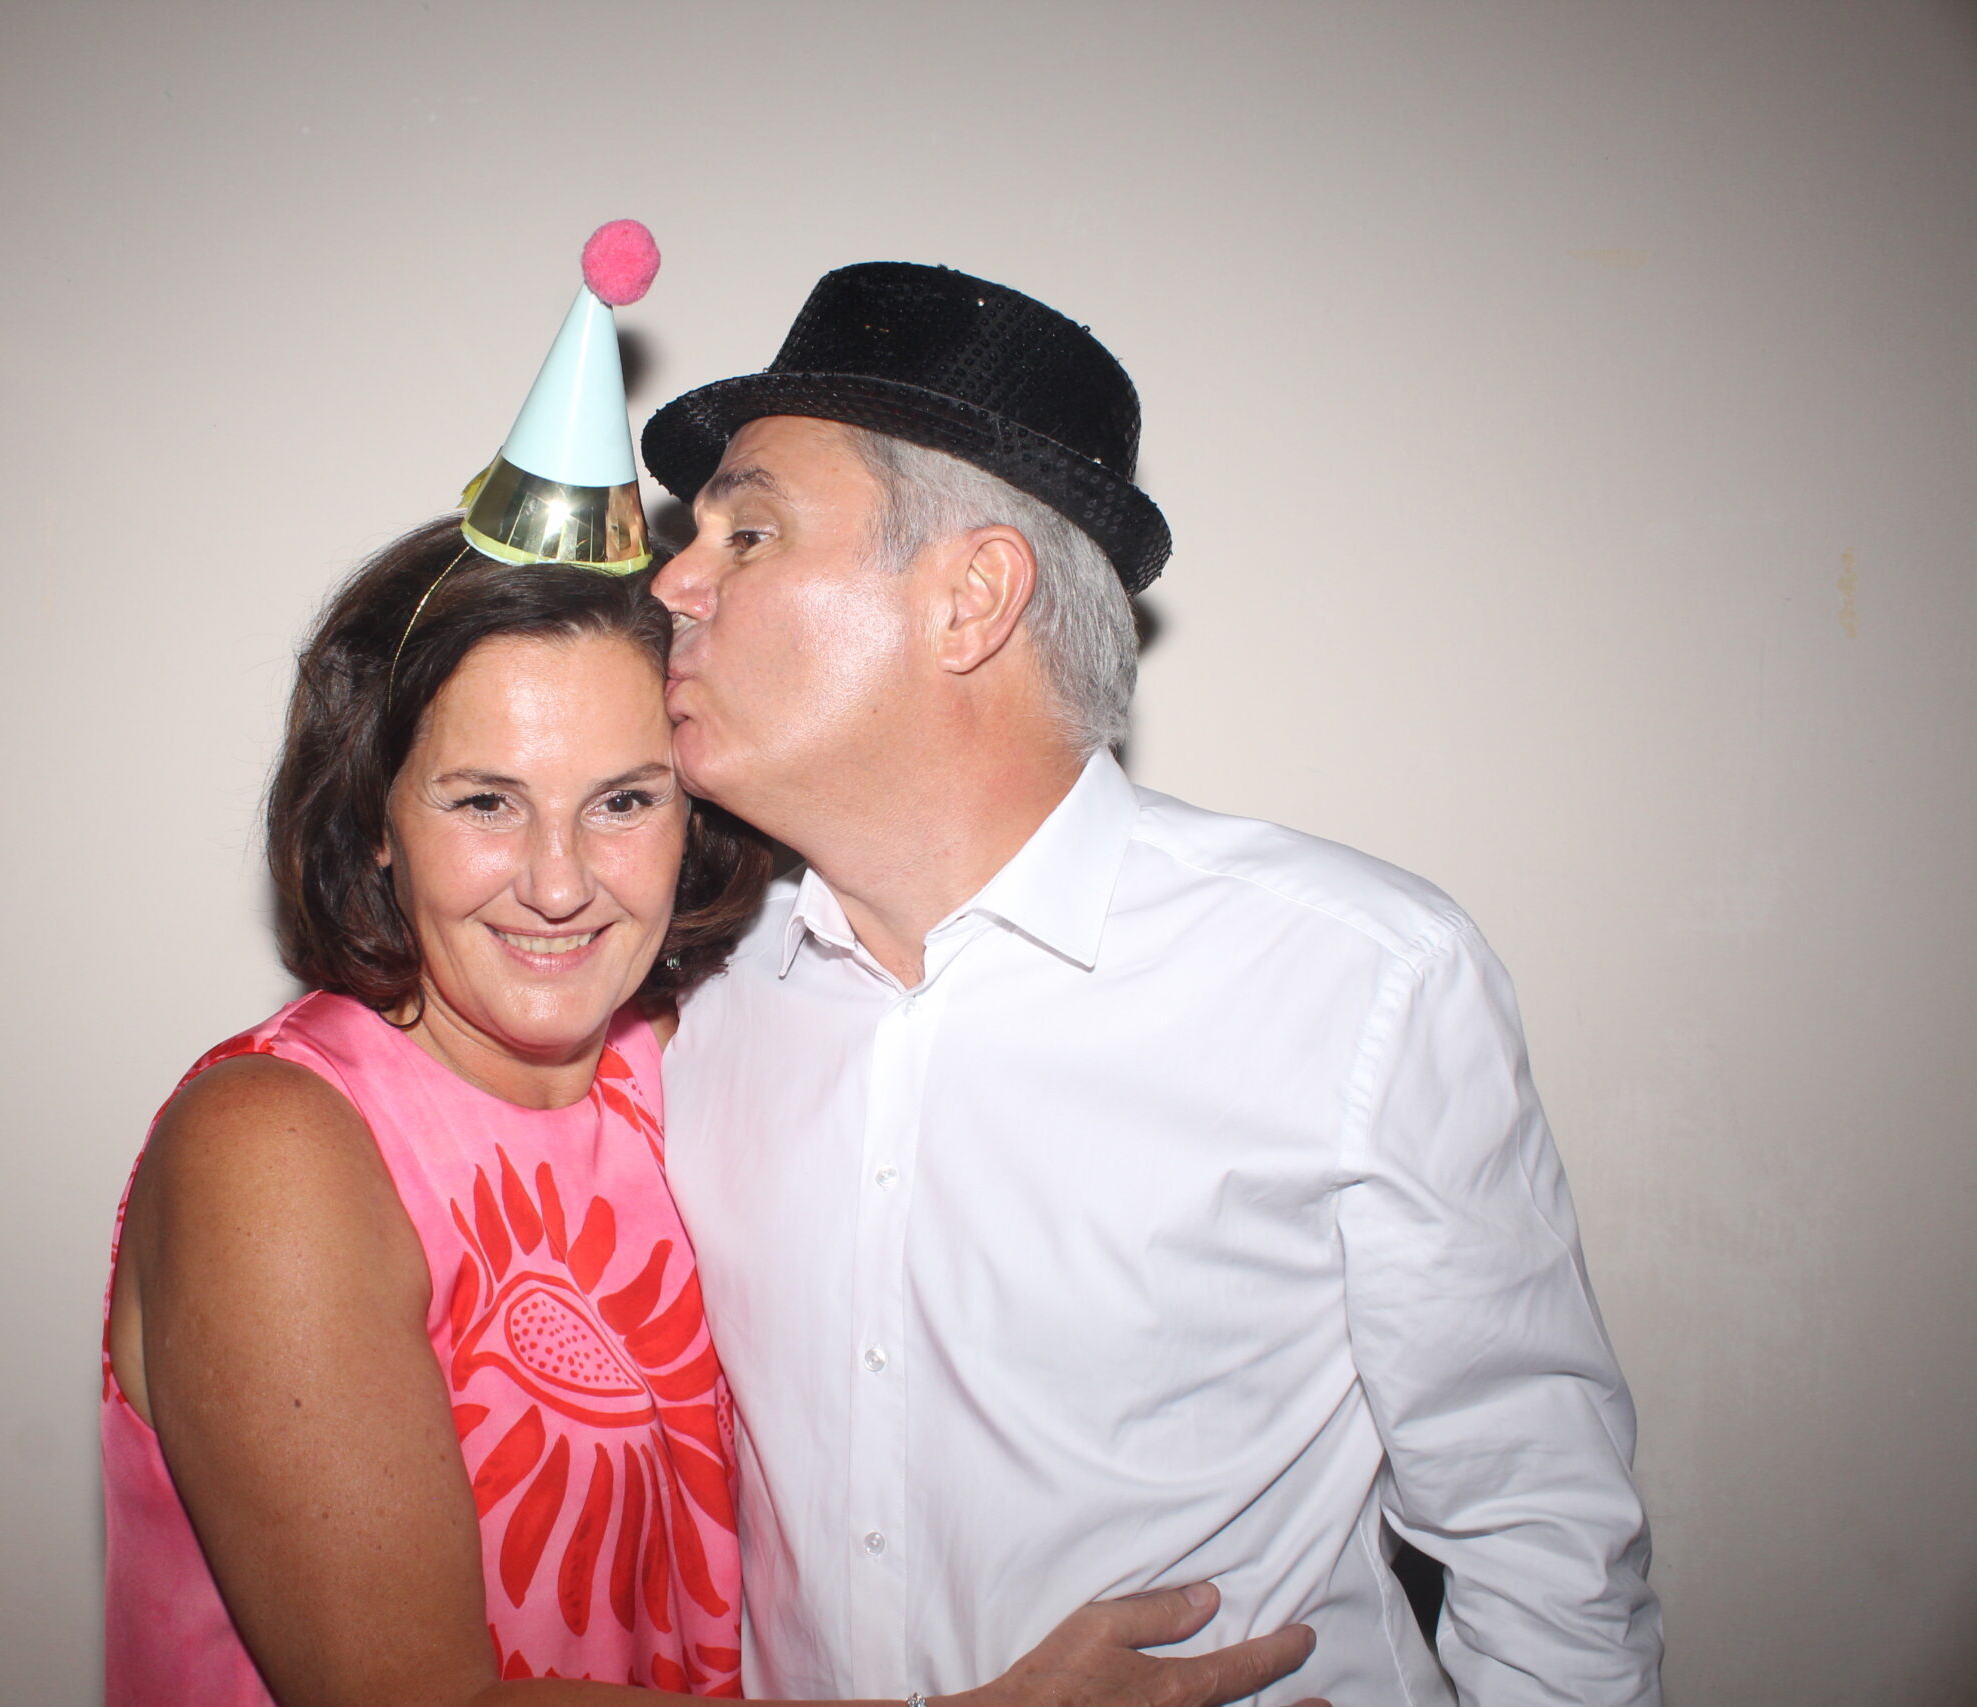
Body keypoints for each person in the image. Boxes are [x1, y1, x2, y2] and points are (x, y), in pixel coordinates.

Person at [98, 229, 1327, 1707]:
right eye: (484, 802)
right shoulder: (276, 1145)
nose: (560, 882)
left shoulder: (686, 1073)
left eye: (623, 801)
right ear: (373, 823)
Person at [640, 262, 1665, 1706]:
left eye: (747, 531)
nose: (674, 583)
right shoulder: (688, 1002)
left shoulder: (1354, 983)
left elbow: (1543, 1552)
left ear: (971, 598)